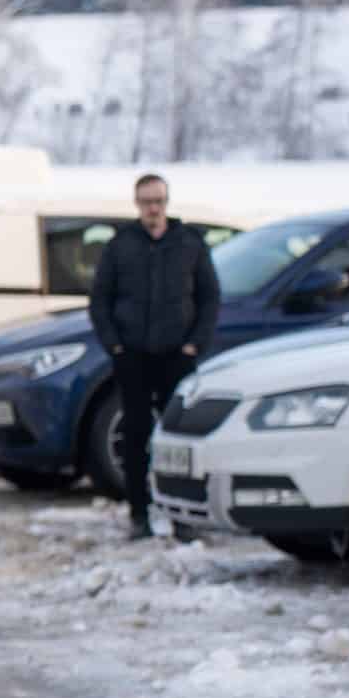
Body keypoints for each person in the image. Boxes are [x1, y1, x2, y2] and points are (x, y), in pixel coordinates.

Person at [88, 172, 220, 541]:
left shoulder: (189, 243)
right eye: (147, 202)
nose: (153, 209)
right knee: (135, 436)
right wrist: (115, 346)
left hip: (177, 355)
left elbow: (209, 297)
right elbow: (100, 300)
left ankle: (183, 516)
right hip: (133, 356)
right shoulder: (120, 245)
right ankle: (139, 514)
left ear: (167, 202)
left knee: (178, 438)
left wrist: (195, 343)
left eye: (158, 201)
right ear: (137, 204)